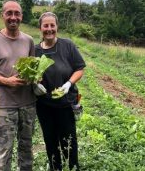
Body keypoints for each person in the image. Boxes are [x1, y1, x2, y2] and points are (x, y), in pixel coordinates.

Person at [0, 0, 37, 171]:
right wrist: (7, 81)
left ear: (21, 16)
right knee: (4, 150)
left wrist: (33, 77)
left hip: (28, 104)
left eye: (17, 13)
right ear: (2, 16)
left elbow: (34, 68)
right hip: (5, 105)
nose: (13, 17)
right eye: (9, 13)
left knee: (26, 148)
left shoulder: (29, 40)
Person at [33, 12, 86, 171]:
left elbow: (80, 68)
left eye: (52, 25)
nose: (49, 29)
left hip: (65, 103)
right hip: (44, 105)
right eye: (45, 26)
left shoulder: (67, 45)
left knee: (68, 139)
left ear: (57, 27)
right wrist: (34, 84)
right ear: (40, 28)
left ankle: (73, 166)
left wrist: (69, 83)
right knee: (50, 139)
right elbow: (31, 73)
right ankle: (55, 167)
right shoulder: (35, 50)